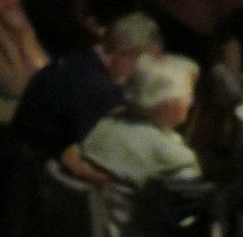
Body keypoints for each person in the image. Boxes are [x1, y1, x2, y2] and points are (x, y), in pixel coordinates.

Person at [78, 54, 201, 237]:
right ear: (168, 105)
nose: (192, 102)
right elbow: (191, 214)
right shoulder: (171, 156)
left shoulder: (103, 126)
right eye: (189, 95)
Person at [12, 11, 162, 177]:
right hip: (29, 171)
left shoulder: (79, 59)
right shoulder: (97, 88)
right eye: (140, 63)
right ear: (125, 52)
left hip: (17, 152)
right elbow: (80, 152)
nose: (137, 72)